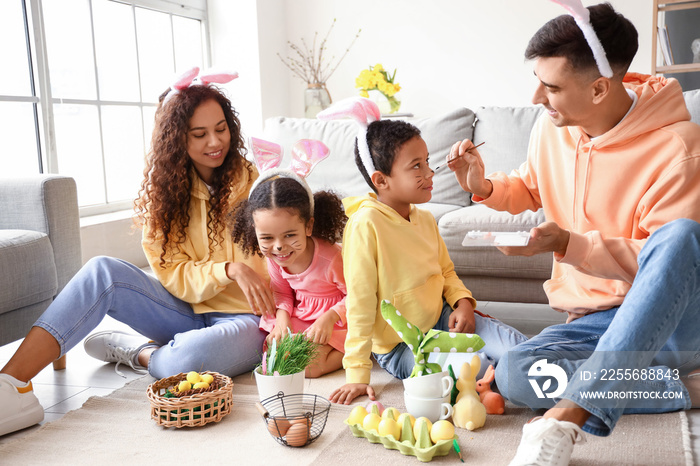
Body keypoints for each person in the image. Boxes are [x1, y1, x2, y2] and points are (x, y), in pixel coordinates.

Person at [447, 3, 700, 465]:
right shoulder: (552, 130)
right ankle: (684, 384)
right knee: (516, 374)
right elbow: (529, 185)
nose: (537, 97)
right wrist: (483, 186)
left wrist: (569, 244)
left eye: (551, 86)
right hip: (591, 322)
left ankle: (566, 414)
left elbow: (665, 266)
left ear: (600, 87)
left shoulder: (679, 149)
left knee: (682, 235)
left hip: (672, 319)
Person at [0, 68, 275, 437]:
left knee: (186, 360)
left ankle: (138, 353)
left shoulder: (258, 180)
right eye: (200, 133)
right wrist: (226, 269)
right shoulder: (167, 193)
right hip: (186, 311)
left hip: (247, 319)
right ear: (177, 138)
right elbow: (172, 271)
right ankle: (10, 386)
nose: (215, 141)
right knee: (102, 271)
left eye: (221, 128)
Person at [317, 98, 528, 405]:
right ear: (381, 180)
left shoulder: (425, 219)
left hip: (444, 318)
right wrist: (357, 375)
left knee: (519, 349)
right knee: (477, 367)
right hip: (404, 348)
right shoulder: (366, 225)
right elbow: (360, 305)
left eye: (427, 161)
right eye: (416, 166)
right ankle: (501, 382)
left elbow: (445, 272)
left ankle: (543, 375)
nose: (430, 173)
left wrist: (463, 303)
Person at [230, 141, 349, 378]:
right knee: (276, 355)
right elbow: (283, 293)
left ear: (308, 226)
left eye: (289, 235)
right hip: (303, 313)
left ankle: (357, 351)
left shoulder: (331, 258)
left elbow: (358, 294)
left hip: (339, 317)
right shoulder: (274, 257)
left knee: (310, 367)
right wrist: (282, 320)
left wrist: (330, 317)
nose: (278, 246)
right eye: (266, 238)